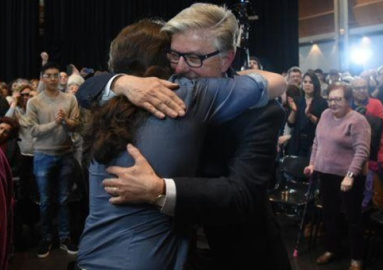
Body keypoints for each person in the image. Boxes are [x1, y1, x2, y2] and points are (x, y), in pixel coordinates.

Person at [76, 3, 291, 270]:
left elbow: (241, 194)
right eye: (174, 56)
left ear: (227, 59)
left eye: (193, 59)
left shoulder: (261, 110)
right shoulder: (158, 93)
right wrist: (123, 82)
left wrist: (159, 190)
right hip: (175, 251)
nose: (179, 68)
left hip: (239, 253)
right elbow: (86, 91)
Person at [304, 84, 370, 270]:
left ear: (348, 100)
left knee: (353, 218)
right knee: (330, 214)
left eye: (338, 99)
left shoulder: (357, 120)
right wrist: (312, 163)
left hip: (349, 177)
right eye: (330, 99)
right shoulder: (325, 115)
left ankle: (357, 258)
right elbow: (317, 142)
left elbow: (362, 151)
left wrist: (350, 175)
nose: (333, 103)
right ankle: (332, 248)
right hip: (326, 174)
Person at [24, 62, 80, 258]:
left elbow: (75, 126)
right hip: (43, 155)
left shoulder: (70, 99)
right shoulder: (34, 102)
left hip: (65, 154)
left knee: (64, 199)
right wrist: (54, 123)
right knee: (46, 200)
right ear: (42, 77)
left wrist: (65, 121)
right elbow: (33, 130)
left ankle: (64, 237)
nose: (53, 79)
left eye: (56, 75)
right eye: (48, 75)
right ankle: (46, 238)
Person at [286, 71, 327, 157]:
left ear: (315, 84)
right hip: (296, 141)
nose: (307, 85)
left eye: (311, 82)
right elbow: (290, 123)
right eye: (305, 82)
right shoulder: (297, 100)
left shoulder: (322, 102)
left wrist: (309, 116)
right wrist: (294, 110)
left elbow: (323, 124)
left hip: (313, 142)